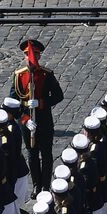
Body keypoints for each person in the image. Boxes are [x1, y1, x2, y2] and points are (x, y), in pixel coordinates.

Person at [11, 39, 65, 194]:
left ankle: (46, 185)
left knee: (46, 153)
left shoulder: (46, 75)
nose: (30, 59)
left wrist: (41, 103)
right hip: (27, 122)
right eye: (28, 55)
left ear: (38, 56)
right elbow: (13, 104)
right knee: (32, 153)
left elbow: (58, 96)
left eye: (33, 55)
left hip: (44, 119)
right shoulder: (18, 76)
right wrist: (25, 120)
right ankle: (36, 185)